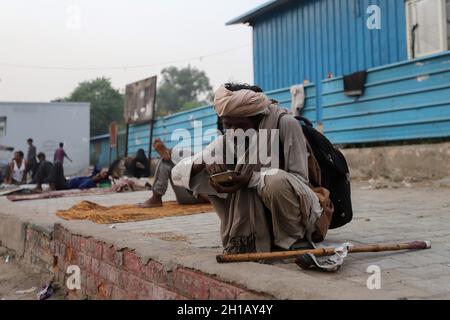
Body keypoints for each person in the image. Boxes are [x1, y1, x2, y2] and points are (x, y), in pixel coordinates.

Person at [171, 83, 334, 254]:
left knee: (273, 179)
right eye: (228, 125)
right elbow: (177, 174)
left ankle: (294, 239)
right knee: (204, 172)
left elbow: (300, 181)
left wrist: (251, 179)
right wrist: (205, 162)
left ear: (257, 118)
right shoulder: (228, 139)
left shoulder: (286, 124)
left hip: (301, 211)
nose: (234, 132)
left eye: (241, 125)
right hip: (263, 221)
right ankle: (252, 238)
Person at [139, 139, 208, 208]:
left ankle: (156, 197)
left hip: (195, 196)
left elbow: (210, 194)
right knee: (188, 159)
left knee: (165, 162)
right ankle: (171, 154)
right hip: (191, 190)